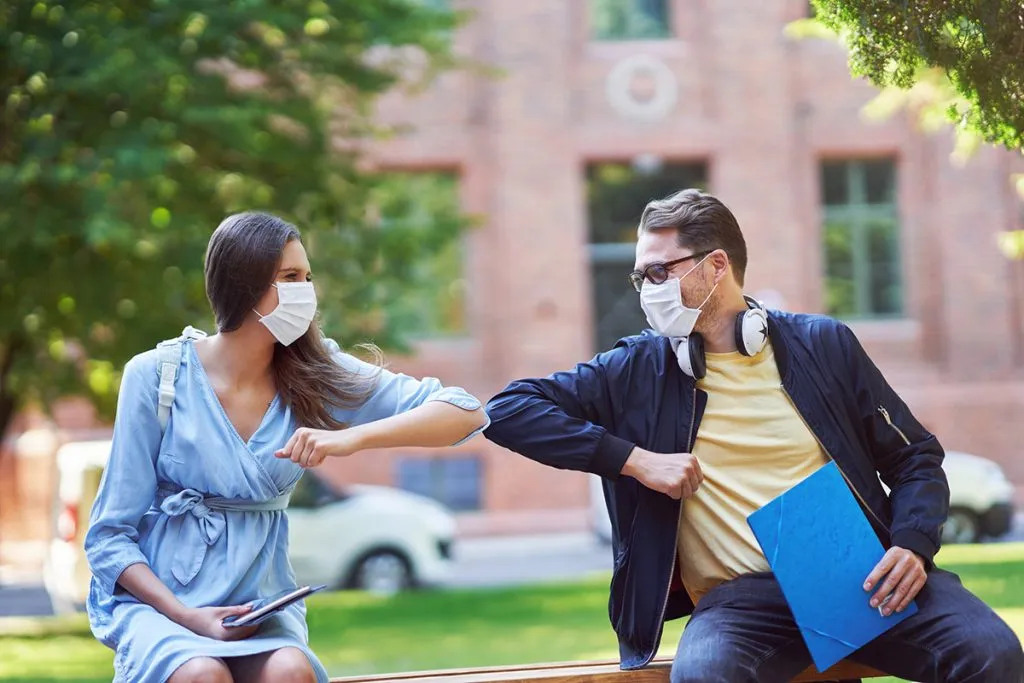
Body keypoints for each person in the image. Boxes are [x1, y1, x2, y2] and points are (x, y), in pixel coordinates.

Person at [484, 190, 1023, 683]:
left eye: (657, 273)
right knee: (702, 678)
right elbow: (508, 410)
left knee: (993, 655)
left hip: (861, 579)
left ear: (716, 265)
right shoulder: (634, 368)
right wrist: (635, 461)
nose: (646, 291)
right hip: (741, 602)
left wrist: (912, 543)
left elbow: (916, 459)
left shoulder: (823, 345)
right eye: (639, 277)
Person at [85, 212, 488, 683]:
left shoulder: (317, 372)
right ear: (243, 284)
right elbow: (109, 536)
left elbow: (465, 411)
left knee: (290, 670)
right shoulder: (156, 376)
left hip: (257, 602)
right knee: (201, 674)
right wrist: (188, 616)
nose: (306, 292)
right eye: (290, 277)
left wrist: (350, 438)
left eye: (309, 277)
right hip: (165, 608)